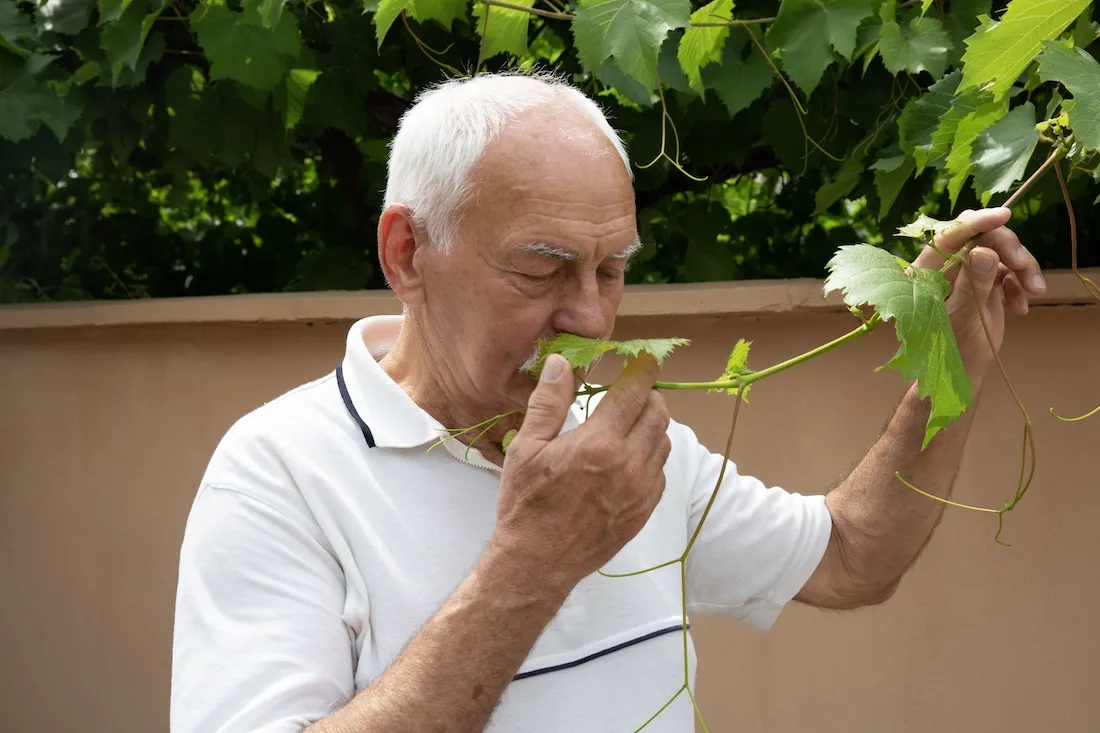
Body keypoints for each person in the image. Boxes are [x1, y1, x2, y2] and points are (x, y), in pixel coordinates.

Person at [169, 70, 1046, 733]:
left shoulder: (619, 445)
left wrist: (950, 359)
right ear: (407, 252)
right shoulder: (278, 472)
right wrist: (538, 555)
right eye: (542, 268)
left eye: (613, 269)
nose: (590, 317)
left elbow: (853, 557)